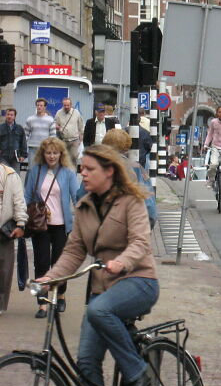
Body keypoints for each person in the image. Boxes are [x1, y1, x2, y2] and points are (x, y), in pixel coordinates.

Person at [35, 144, 158, 386]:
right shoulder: (84, 205)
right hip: (103, 288)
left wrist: (123, 262)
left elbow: (141, 242)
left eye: (89, 169)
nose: (83, 174)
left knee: (99, 311)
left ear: (109, 171)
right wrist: (50, 277)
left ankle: (137, 374)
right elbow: (75, 250)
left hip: (138, 281)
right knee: (87, 361)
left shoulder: (131, 201)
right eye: (82, 169)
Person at [24, 137, 79, 318]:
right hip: (40, 225)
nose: (52, 156)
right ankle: (42, 304)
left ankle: (60, 295)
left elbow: (76, 197)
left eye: (55, 153)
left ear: (61, 154)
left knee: (59, 263)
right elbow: (27, 196)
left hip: (61, 225)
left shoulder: (68, 173)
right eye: (48, 153)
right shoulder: (35, 171)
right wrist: (22, 218)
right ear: (43, 154)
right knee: (41, 262)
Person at [78, 129, 157, 229]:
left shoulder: (94, 167)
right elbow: (149, 205)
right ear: (126, 148)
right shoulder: (137, 169)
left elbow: (81, 196)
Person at [0, 162, 27, 315]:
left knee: (4, 270)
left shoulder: (10, 175)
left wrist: (21, 224)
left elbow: (19, 201)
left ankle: (1, 304)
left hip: (4, 230)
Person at [24, 98, 56, 170]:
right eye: (37, 105)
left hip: (45, 148)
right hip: (32, 148)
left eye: (41, 105)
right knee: (32, 169)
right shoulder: (30, 119)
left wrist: (50, 147)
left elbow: (53, 135)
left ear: (45, 107)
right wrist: (24, 147)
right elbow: (25, 134)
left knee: (44, 168)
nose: (39, 107)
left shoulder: (50, 119)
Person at [54, 97, 85, 168]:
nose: (66, 107)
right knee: (62, 159)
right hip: (63, 140)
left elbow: (81, 125)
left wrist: (81, 137)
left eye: (68, 105)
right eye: (65, 105)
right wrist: (56, 126)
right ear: (63, 105)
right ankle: (63, 175)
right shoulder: (59, 113)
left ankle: (73, 175)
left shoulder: (76, 113)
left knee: (73, 158)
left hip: (74, 140)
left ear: (71, 105)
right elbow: (55, 122)